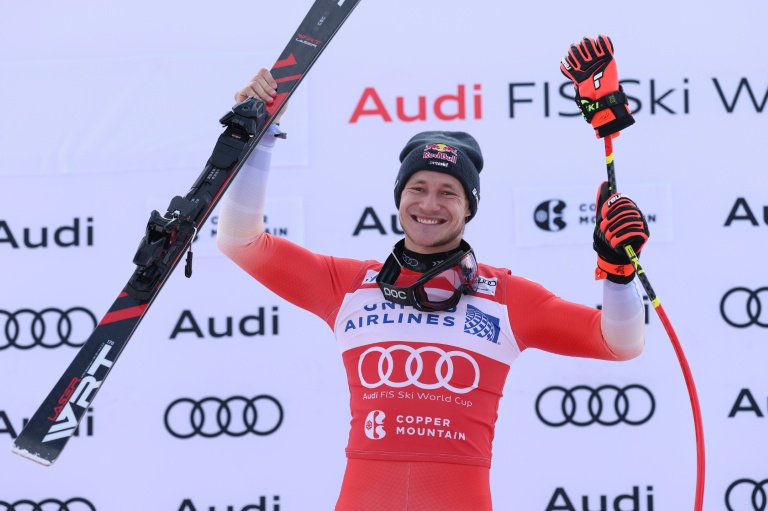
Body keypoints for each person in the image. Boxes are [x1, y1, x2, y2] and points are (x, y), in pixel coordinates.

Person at [217, 36, 648, 511]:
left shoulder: (506, 297)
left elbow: (618, 343)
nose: (429, 204)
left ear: (469, 208)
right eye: (417, 188)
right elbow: (240, 241)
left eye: (448, 192)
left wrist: (618, 271)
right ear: (399, 197)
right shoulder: (349, 286)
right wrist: (259, 137)